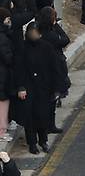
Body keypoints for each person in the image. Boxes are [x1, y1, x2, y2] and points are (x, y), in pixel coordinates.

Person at [18, 23, 63, 155]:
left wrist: (57, 88)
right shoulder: (23, 48)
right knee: (30, 117)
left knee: (42, 116)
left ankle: (43, 140)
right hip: (28, 87)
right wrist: (21, 87)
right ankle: (32, 143)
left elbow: (54, 68)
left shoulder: (46, 47)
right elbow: (19, 69)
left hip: (44, 88)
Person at [35, 7, 70, 132]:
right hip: (53, 68)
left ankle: (49, 125)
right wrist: (56, 26)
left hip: (45, 69)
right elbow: (65, 39)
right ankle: (48, 125)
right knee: (51, 99)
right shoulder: (51, 35)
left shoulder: (38, 31)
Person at [0, 10, 12, 142]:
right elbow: (7, 57)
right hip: (3, 75)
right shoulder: (3, 37)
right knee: (3, 103)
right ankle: (2, 131)